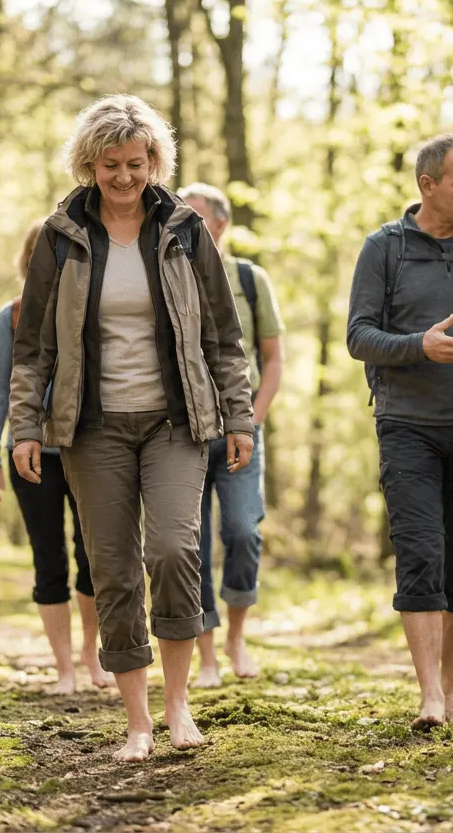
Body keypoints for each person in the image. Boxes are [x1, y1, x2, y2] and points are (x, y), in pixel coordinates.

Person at [10, 94, 255, 763]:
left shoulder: (184, 229)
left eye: (137, 163)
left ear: (156, 160)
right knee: (113, 569)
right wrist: (24, 427)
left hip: (178, 421)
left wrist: (239, 416)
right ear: (89, 164)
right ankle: (138, 722)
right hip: (93, 428)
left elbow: (224, 336)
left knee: (174, 552)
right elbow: (30, 345)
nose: (124, 178)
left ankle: (178, 707)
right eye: (111, 165)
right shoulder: (60, 237)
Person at [347, 133, 453, 731]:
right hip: (407, 428)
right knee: (421, 555)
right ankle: (427, 697)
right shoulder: (384, 249)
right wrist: (417, 347)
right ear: (428, 185)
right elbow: (359, 336)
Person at [0, 221, 111, 695]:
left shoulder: (90, 307)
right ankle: (64, 670)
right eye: (38, 253)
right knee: (48, 558)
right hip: (30, 450)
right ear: (27, 259)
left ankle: (91, 657)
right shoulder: (12, 316)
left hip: (87, 446)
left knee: (93, 558)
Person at [177, 182, 285, 688]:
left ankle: (236, 635)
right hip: (181, 435)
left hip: (241, 431)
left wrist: (253, 420)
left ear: (219, 224)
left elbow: (273, 358)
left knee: (243, 531)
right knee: (190, 544)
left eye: (194, 215)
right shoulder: (169, 275)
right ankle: (207, 656)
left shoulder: (248, 278)